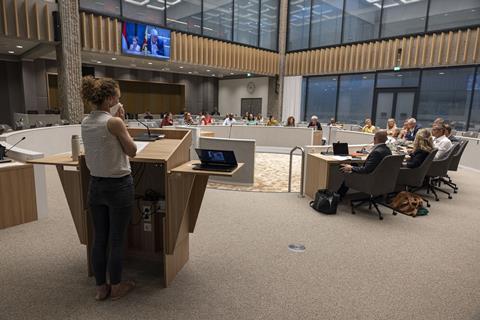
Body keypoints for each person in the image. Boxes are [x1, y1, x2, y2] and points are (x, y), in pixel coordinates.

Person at [80, 76, 137, 301]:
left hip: (96, 185)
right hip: (118, 186)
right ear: (111, 98)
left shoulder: (86, 121)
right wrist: (121, 119)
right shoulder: (115, 122)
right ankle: (116, 286)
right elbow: (131, 151)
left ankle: (101, 287)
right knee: (116, 239)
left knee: (99, 238)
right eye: (118, 99)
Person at [337, 131, 392, 198]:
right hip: (381, 179)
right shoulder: (388, 150)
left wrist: (351, 168)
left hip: (369, 180)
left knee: (344, 167)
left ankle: (338, 196)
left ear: (374, 139)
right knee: (354, 165)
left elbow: (366, 170)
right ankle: (339, 195)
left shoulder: (376, 152)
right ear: (386, 140)